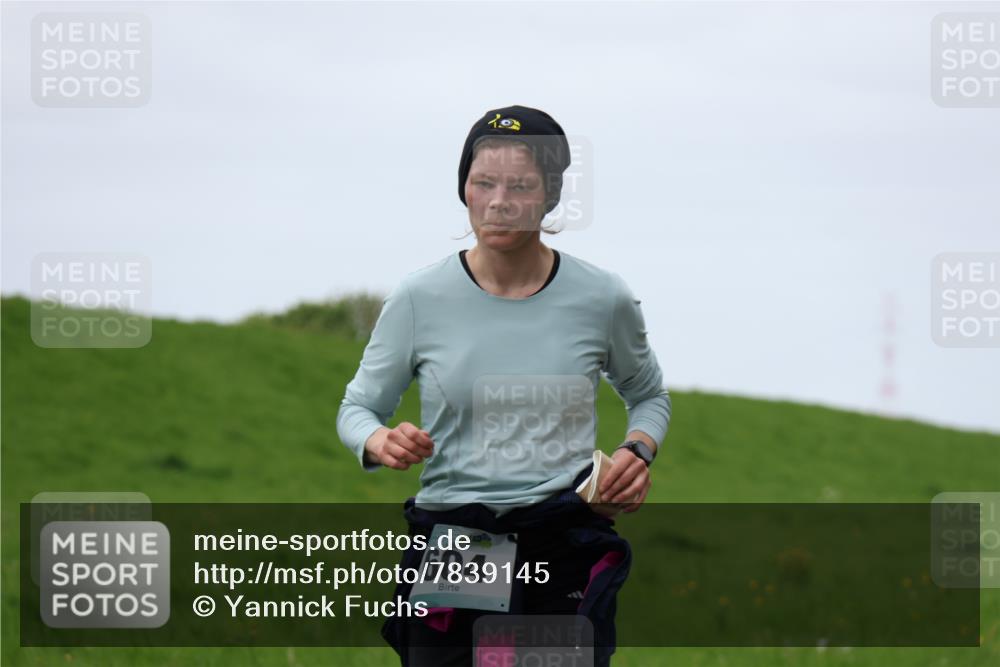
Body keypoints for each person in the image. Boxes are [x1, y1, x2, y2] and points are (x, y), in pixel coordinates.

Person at [336, 105, 671, 666]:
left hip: (559, 540)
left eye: (520, 185)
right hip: (459, 543)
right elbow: (358, 408)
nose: (498, 201)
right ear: (463, 189)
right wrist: (377, 440)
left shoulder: (602, 297)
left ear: (550, 195)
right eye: (483, 182)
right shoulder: (419, 298)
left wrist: (636, 452)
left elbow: (648, 395)